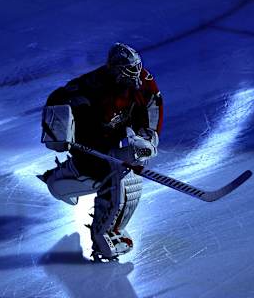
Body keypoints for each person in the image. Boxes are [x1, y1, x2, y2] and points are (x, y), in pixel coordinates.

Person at [39, 43, 163, 261]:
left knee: (128, 179)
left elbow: (153, 104)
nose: (135, 75)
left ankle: (110, 231)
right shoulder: (90, 86)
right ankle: (101, 236)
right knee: (117, 180)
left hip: (119, 140)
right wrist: (61, 134)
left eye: (136, 69)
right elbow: (57, 100)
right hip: (92, 146)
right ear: (115, 69)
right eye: (128, 70)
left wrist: (149, 136)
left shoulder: (143, 80)